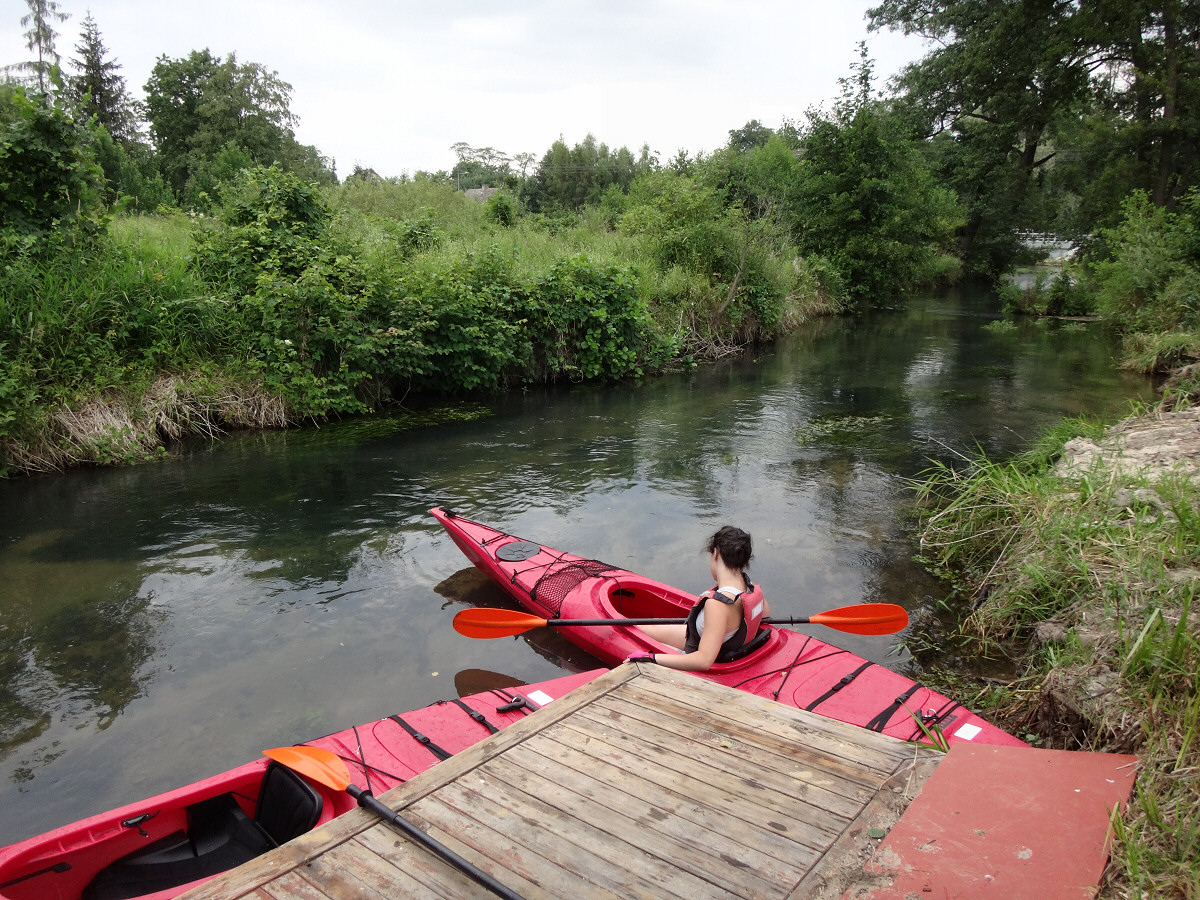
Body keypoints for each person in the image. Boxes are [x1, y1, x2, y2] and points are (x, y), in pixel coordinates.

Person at [628, 525, 769, 671]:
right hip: (704, 640)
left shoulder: (718, 605)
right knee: (637, 630)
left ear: (715, 554)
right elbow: (765, 615)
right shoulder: (750, 588)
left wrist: (651, 658)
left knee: (631, 639)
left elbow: (704, 661)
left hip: (698, 657)